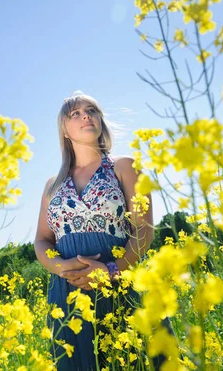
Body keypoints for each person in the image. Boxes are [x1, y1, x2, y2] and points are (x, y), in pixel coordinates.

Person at [34, 92, 172, 370]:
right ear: (64, 128)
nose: (86, 115)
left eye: (92, 110)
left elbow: (144, 230)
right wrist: (60, 267)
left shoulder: (124, 167)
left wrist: (111, 270)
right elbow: (42, 240)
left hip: (124, 282)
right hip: (68, 296)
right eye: (75, 113)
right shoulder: (52, 185)